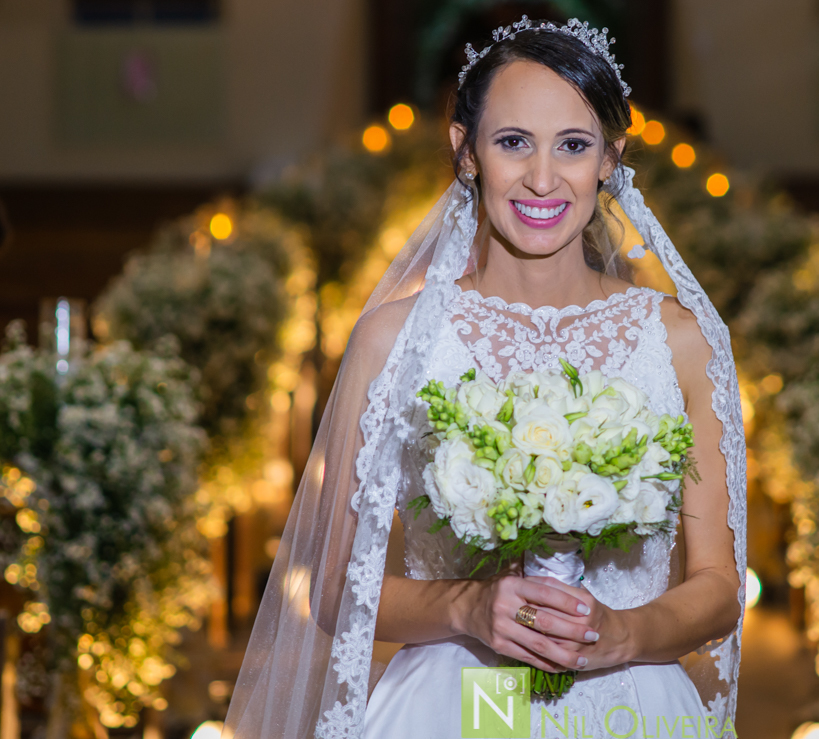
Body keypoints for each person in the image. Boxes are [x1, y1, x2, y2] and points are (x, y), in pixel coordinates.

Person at [222, 18, 746, 739]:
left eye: (572, 145)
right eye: (512, 143)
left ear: (610, 159)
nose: (541, 177)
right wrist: (466, 607)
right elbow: (334, 584)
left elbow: (719, 586)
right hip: (452, 702)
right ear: (465, 153)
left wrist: (623, 631)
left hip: (633, 704)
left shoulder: (678, 340)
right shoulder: (394, 339)